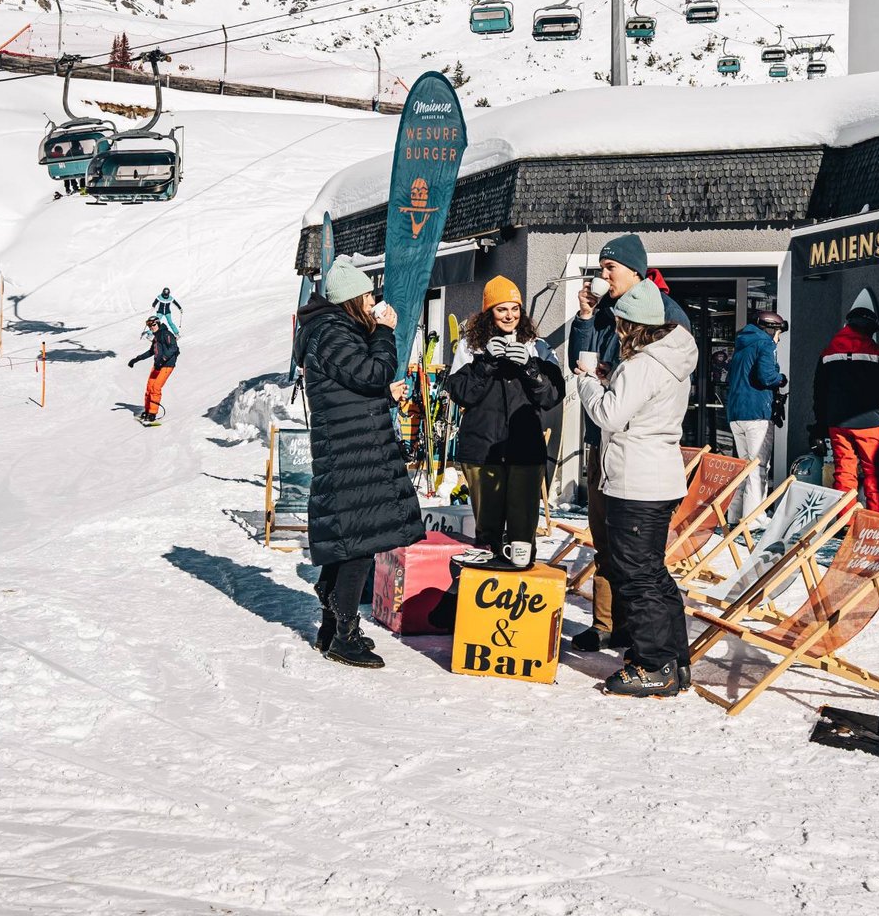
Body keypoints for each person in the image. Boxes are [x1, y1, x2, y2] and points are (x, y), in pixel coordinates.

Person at [292, 258, 425, 668]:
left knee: (350, 540)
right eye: (368, 297)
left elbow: (353, 388)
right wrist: (386, 332)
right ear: (351, 299)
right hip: (353, 454)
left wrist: (382, 394)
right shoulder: (332, 333)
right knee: (359, 544)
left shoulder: (331, 332)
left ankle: (332, 627)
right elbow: (372, 371)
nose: (373, 304)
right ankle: (343, 634)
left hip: (352, 449)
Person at [574, 279, 699, 696]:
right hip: (657, 475)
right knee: (653, 572)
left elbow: (610, 415)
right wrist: (613, 379)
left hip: (636, 480)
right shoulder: (668, 357)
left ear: (633, 324)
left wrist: (588, 382)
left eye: (621, 322)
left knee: (637, 575)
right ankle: (673, 657)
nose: (618, 329)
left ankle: (652, 664)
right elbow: (638, 404)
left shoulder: (644, 363)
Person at [445, 276, 565, 569]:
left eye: (515, 308)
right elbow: (460, 394)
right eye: (502, 309)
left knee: (523, 532)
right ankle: (486, 588)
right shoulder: (470, 347)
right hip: (482, 450)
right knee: (488, 532)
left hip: (525, 449)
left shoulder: (538, 346)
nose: (510, 315)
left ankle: (519, 592)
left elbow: (551, 395)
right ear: (488, 312)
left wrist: (530, 367)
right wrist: (485, 363)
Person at [811, 301, 879, 512]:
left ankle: (844, 523)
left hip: (837, 422)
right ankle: (875, 524)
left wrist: (819, 425)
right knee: (874, 475)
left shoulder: (827, 354)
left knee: (843, 472)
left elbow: (819, 393)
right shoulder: (878, 353)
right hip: (869, 423)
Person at [724, 310, 788, 520]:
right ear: (771, 329)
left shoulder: (742, 343)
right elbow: (766, 377)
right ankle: (754, 519)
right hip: (756, 413)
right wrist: (781, 379)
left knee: (743, 466)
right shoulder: (765, 343)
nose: (779, 337)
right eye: (778, 332)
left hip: (736, 413)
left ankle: (734, 516)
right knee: (758, 466)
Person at [126, 315, 178, 424]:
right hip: (157, 365)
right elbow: (151, 352)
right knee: (149, 387)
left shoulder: (166, 334)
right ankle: (148, 410)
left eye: (153, 324)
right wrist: (136, 359)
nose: (152, 327)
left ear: (158, 323)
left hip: (167, 365)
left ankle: (153, 413)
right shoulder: (156, 337)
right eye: (150, 326)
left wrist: (163, 359)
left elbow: (174, 348)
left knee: (156, 387)